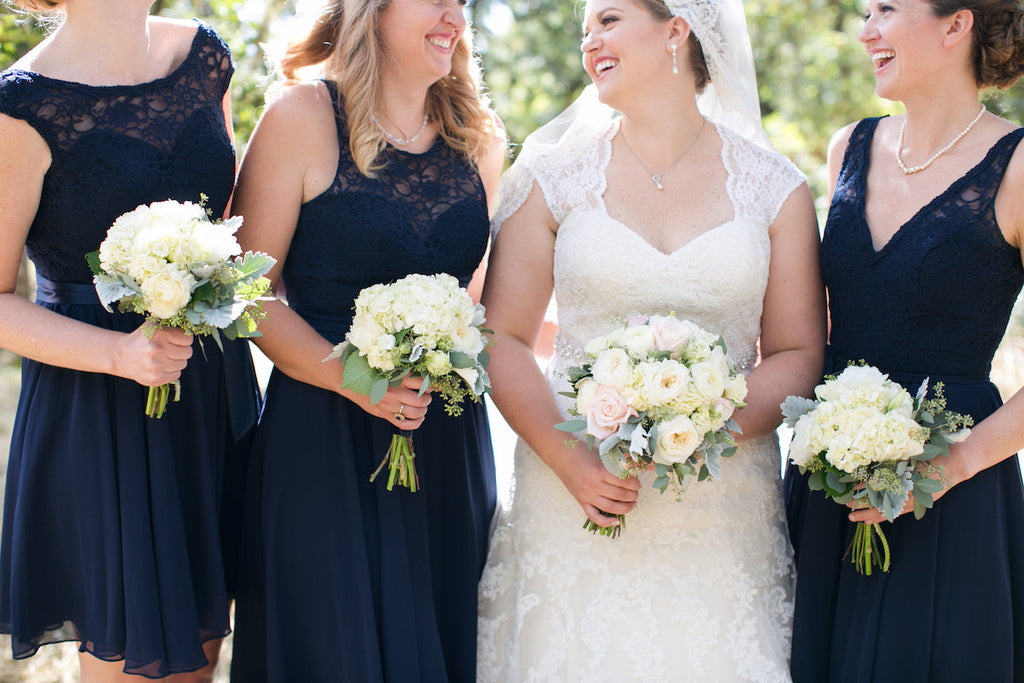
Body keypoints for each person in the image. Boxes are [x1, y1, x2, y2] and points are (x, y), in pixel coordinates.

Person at [475, 0, 825, 679]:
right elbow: (504, 337)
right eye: (585, 30)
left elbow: (798, 353)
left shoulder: (776, 188)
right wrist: (573, 457)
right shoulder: (548, 179)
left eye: (607, 19)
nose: (590, 41)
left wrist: (696, 425)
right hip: (577, 495)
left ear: (676, 31)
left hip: (722, 511)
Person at [225, 0, 504, 679]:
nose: (454, 14)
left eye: (462, 3)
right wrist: (354, 379)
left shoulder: (479, 139)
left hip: (445, 448)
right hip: (324, 443)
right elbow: (249, 293)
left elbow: (480, 305)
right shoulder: (301, 118)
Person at [0, 1, 259, 680]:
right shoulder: (20, 106)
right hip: (99, 408)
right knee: (131, 663)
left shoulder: (207, 58)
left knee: (203, 653)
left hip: (206, 390)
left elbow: (227, 227)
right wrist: (121, 354)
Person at [784, 1, 1024, 681]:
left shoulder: (1018, 166)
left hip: (954, 493)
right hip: (830, 483)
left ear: (957, 25)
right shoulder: (848, 148)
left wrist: (953, 463)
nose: (866, 31)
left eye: (886, 9)